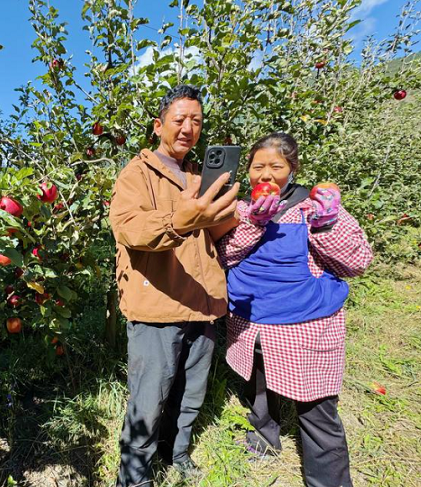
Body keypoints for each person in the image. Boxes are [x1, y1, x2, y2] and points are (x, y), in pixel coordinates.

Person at [217, 132, 373, 487]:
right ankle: (263, 440)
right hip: (251, 324)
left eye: (276, 166)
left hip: (304, 327)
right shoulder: (239, 209)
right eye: (258, 166)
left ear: (293, 169)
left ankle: (328, 480)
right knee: (258, 391)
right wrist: (254, 223)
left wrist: (326, 223)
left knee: (316, 408)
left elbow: (357, 261)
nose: (265, 175)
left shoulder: (313, 208)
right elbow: (223, 256)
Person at [109, 84, 240, 487]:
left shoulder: (200, 177)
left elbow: (214, 237)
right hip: (157, 308)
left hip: (202, 304)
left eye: (196, 121)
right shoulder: (137, 174)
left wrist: (231, 214)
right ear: (158, 125)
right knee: (148, 402)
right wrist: (179, 220)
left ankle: (176, 455)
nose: (188, 128)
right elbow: (129, 228)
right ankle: (134, 478)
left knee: (189, 396)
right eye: (180, 119)